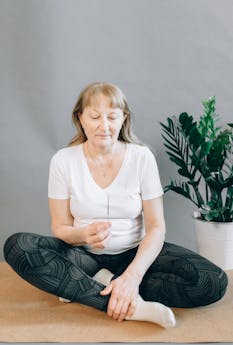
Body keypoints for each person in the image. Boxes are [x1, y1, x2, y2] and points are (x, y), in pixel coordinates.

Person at [3, 82, 228, 328]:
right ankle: (133, 306)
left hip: (133, 255)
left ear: (124, 118)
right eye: (95, 116)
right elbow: (60, 228)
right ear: (80, 118)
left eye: (112, 116)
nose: (104, 125)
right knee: (17, 246)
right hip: (82, 256)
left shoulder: (141, 157)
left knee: (212, 281)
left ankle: (93, 284)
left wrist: (132, 276)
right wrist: (82, 234)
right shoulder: (63, 161)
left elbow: (156, 228)